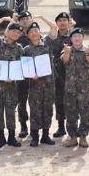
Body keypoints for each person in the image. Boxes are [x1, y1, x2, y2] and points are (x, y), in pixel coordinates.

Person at [0, 18, 24, 148]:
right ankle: (1, 137)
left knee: (10, 111)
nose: (16, 34)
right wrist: (3, 19)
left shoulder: (19, 48)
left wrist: (14, 77)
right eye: (13, 31)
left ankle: (12, 137)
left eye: (18, 33)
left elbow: (21, 67)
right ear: (7, 32)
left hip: (11, 86)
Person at [22, 16, 59, 147]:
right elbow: (25, 68)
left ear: (39, 32)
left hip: (49, 83)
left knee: (47, 108)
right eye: (31, 32)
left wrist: (42, 17)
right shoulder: (26, 50)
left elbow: (54, 28)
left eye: (36, 30)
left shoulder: (48, 43)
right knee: (35, 110)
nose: (34, 33)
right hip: (34, 85)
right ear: (28, 35)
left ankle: (45, 135)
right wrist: (31, 75)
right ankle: (35, 136)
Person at [61, 27, 89, 148]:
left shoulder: (87, 50)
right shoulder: (67, 50)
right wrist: (67, 52)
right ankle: (73, 137)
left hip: (84, 89)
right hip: (70, 88)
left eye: (79, 36)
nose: (77, 38)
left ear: (83, 38)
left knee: (85, 112)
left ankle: (83, 137)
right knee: (71, 113)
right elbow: (64, 60)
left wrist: (88, 53)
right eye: (74, 37)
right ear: (71, 39)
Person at [51, 12, 75, 138]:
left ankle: (72, 127)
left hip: (71, 73)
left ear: (68, 22)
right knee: (59, 100)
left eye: (64, 20)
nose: (62, 22)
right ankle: (61, 126)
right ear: (56, 23)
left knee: (72, 101)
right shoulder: (53, 36)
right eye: (59, 20)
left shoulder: (74, 36)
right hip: (56, 74)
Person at [16, 10, 33, 138]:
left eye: (27, 18)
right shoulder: (15, 36)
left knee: (35, 101)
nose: (25, 20)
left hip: (35, 75)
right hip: (20, 74)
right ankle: (23, 126)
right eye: (22, 19)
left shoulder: (37, 35)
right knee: (22, 101)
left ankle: (35, 126)